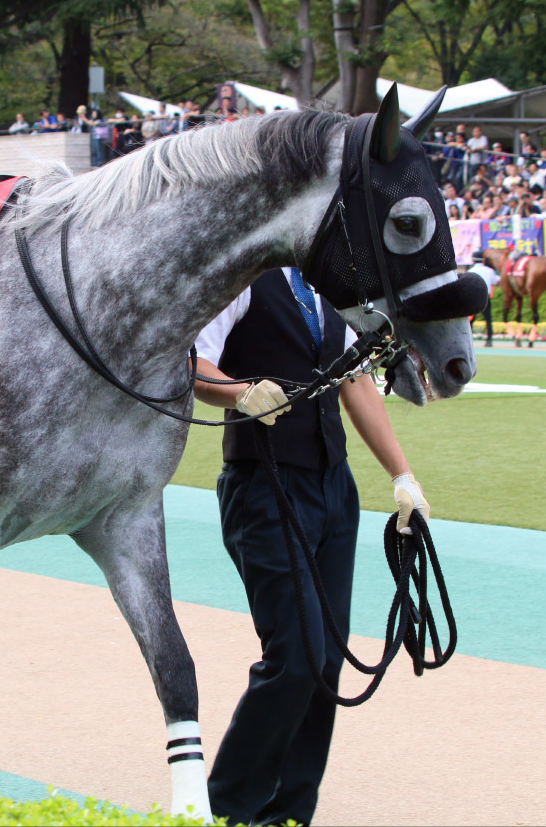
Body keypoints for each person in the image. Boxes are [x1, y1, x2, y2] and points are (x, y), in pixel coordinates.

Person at [192, 267, 429, 827]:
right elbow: (190, 362)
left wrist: (402, 476)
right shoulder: (242, 278)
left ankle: (288, 816)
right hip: (264, 485)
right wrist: (239, 392)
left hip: (332, 488)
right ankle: (223, 813)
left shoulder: (326, 287)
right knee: (295, 660)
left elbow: (355, 382)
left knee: (325, 663)